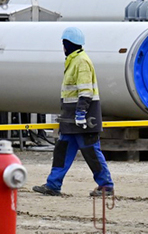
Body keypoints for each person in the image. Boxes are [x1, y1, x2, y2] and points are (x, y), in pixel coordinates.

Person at [32, 27, 114, 197]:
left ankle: (106, 186)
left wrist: (81, 113)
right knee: (62, 151)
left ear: (67, 44)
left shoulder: (81, 62)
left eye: (63, 44)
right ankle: (53, 185)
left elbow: (85, 91)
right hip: (71, 120)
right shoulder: (73, 60)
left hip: (84, 119)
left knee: (91, 153)